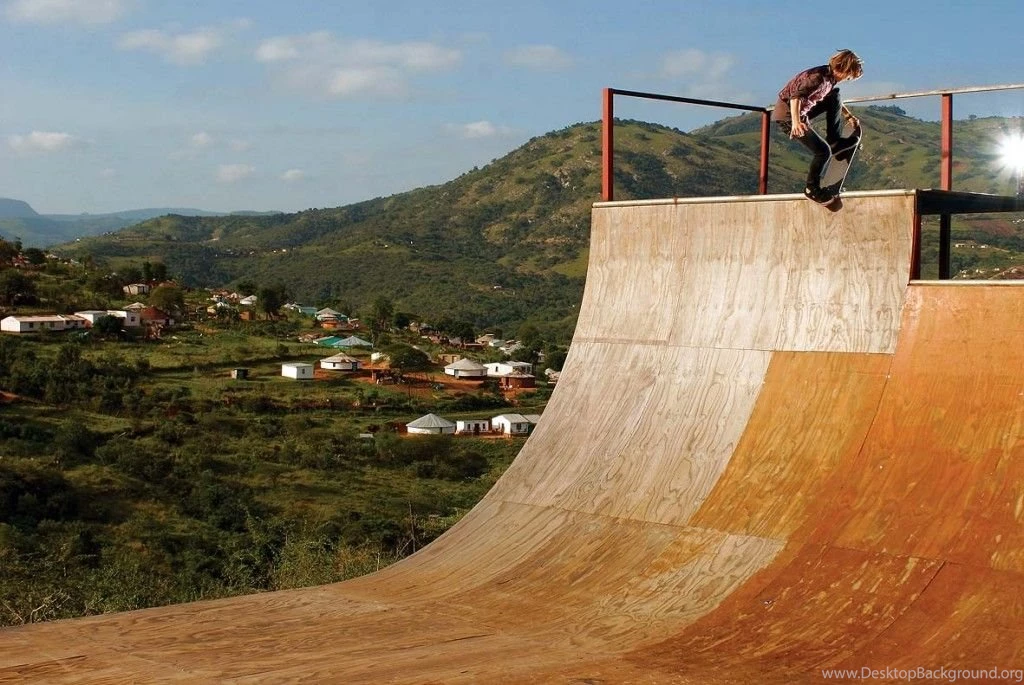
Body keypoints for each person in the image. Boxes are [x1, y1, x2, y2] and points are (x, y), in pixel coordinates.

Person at [773, 49, 864, 202]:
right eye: (849, 76)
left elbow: (831, 99)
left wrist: (848, 115)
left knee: (835, 95)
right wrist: (796, 123)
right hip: (788, 116)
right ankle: (812, 189)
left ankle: (834, 141)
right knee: (823, 152)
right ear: (843, 69)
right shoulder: (818, 78)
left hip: (802, 112)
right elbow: (795, 97)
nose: (847, 79)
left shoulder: (830, 78)